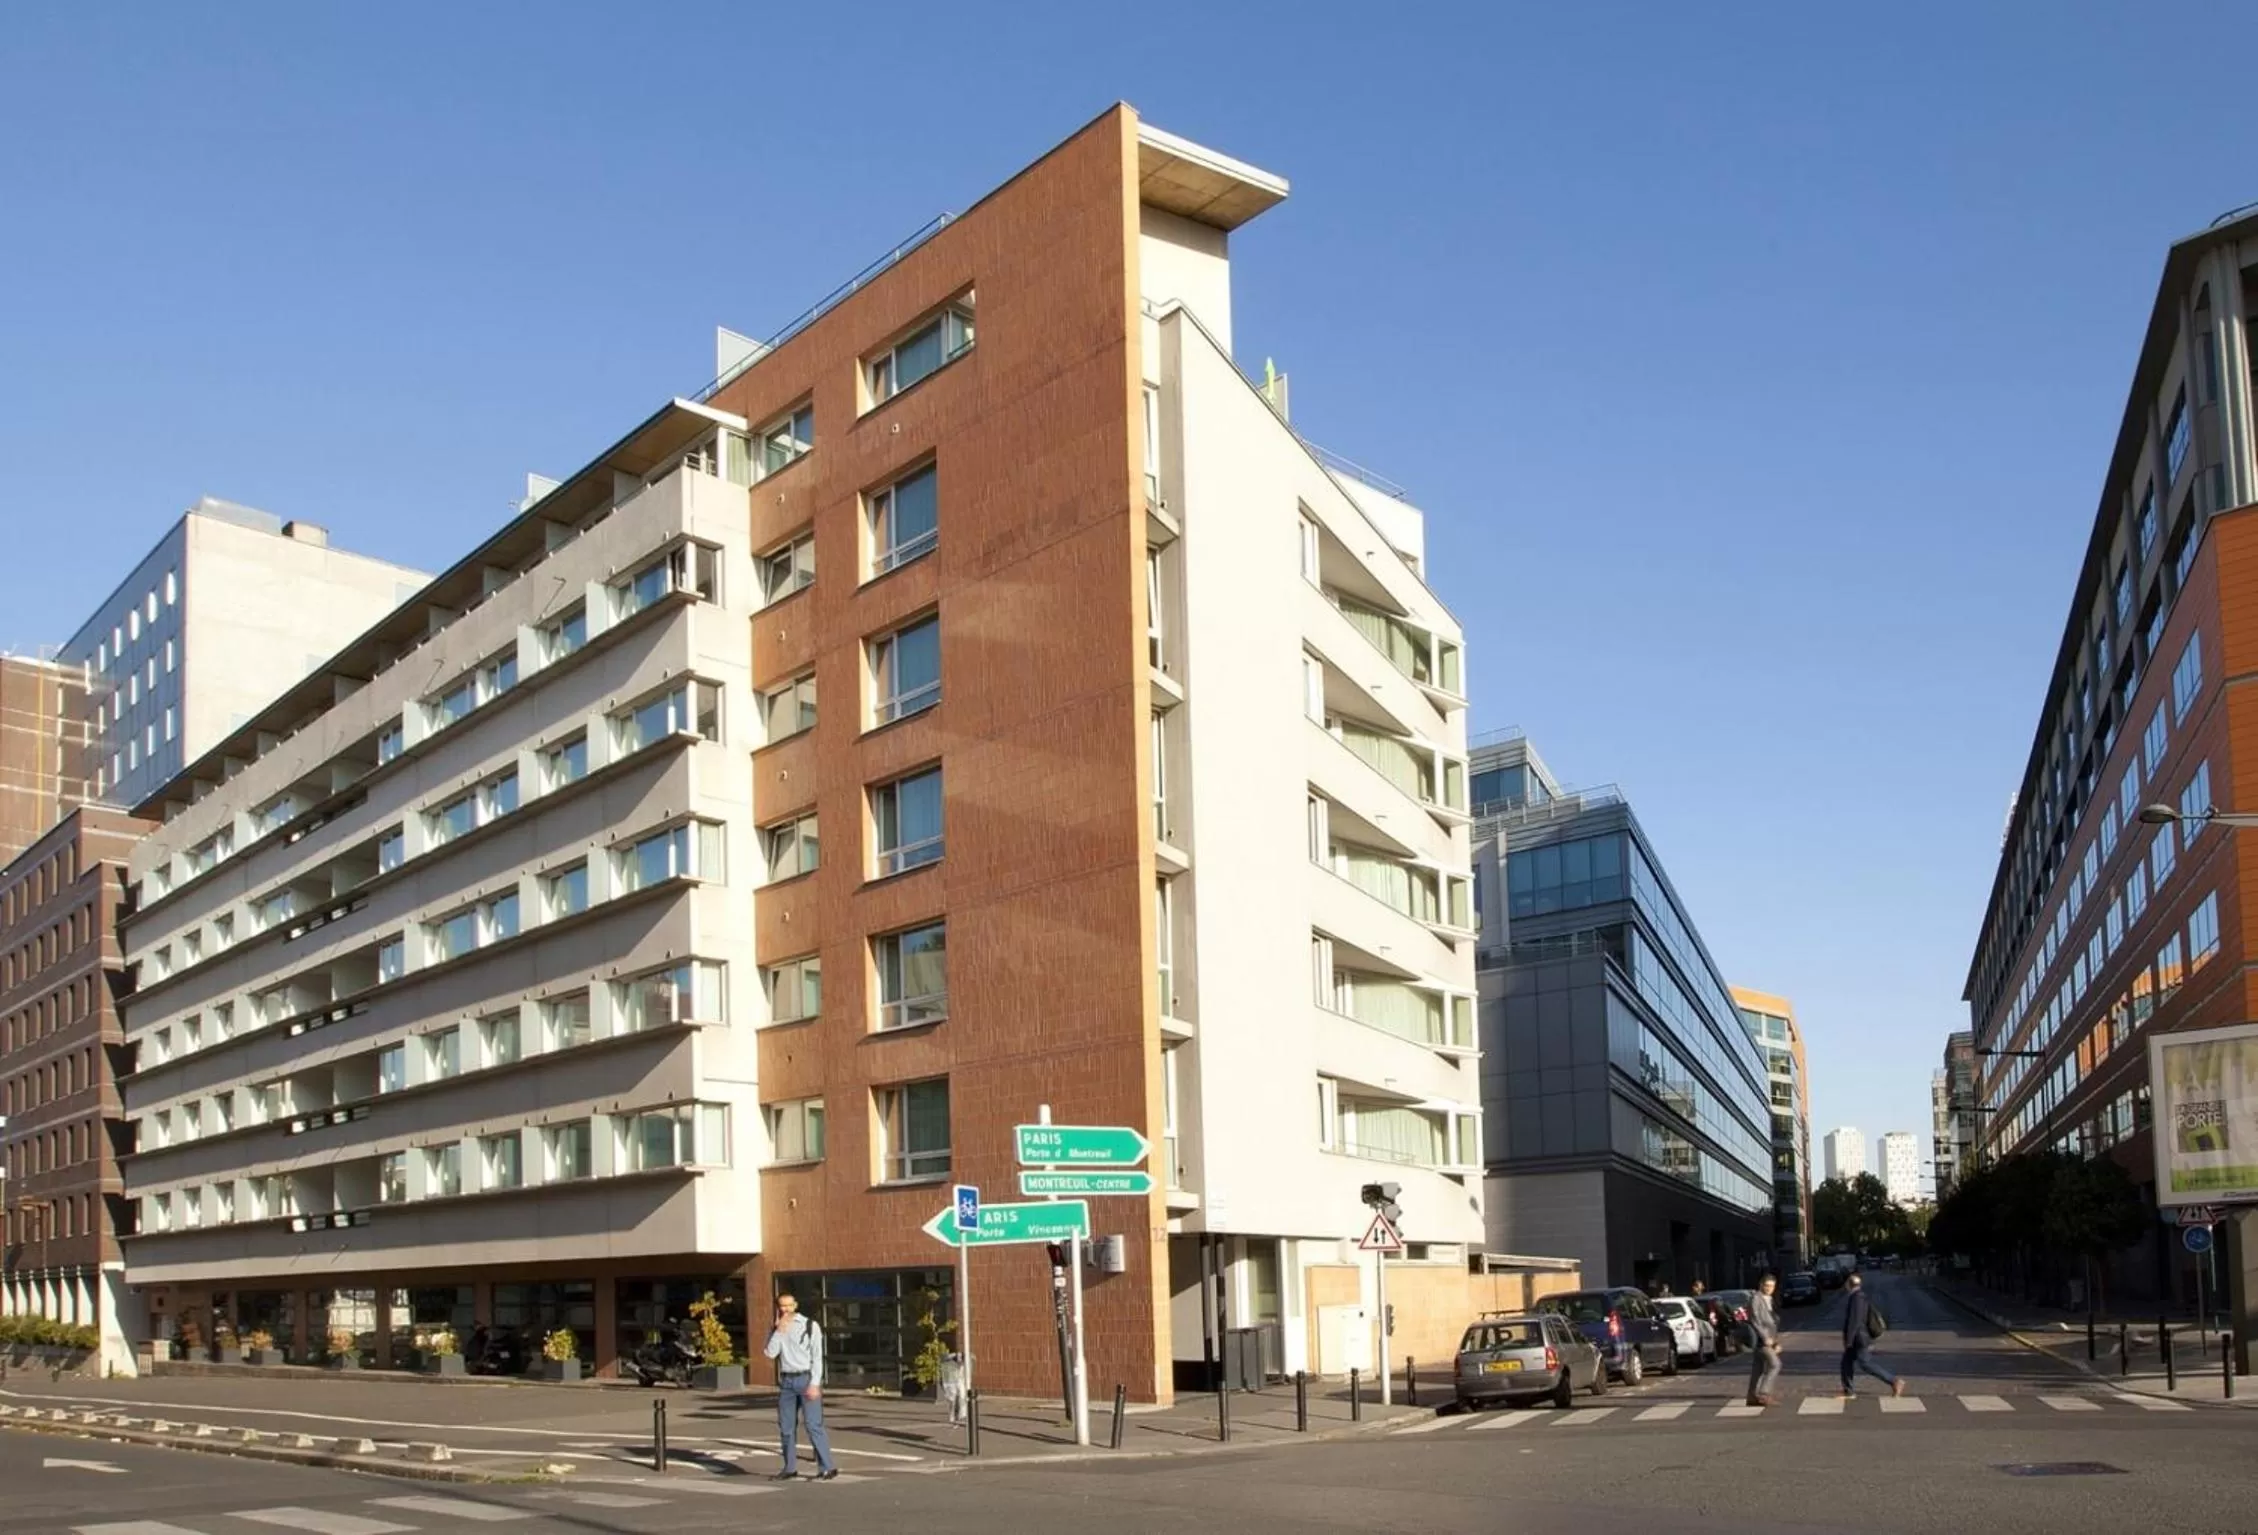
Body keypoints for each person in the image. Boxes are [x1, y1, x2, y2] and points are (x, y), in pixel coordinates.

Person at [764, 1293, 838, 1481]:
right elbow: (770, 1353)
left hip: (805, 1378)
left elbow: (817, 1358)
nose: (785, 1309)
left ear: (795, 1305)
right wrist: (778, 1331)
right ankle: (789, 1467)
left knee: (813, 1424)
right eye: (782, 1306)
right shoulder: (778, 1328)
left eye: (789, 1305)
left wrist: (815, 1384)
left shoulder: (809, 1326)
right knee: (786, 1426)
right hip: (787, 1381)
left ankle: (827, 1467)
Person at [1840, 1274, 1905, 1400]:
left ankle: (1894, 1381)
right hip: (1858, 1337)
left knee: (1865, 1363)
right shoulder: (1859, 1296)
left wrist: (1848, 1340)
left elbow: (1855, 1320)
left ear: (1849, 1284)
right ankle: (1848, 1391)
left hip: (1859, 1338)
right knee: (1846, 1363)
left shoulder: (1857, 1298)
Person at [1745, 1273, 1783, 1407]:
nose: (1769, 1288)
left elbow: (1773, 1322)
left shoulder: (1770, 1299)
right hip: (1761, 1339)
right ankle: (1764, 1394)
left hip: (1770, 1338)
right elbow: (1755, 1320)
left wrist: (1776, 1342)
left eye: (1772, 1286)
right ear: (1761, 1285)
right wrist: (1765, 1337)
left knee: (1758, 1368)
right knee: (1775, 1364)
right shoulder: (1756, 1298)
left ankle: (1751, 1396)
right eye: (1767, 1286)